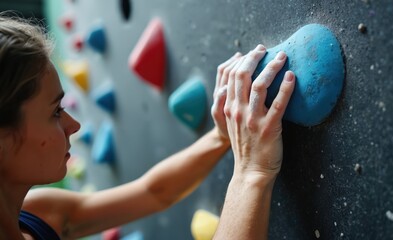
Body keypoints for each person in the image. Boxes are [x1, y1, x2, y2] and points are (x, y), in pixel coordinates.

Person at [0, 13, 295, 240]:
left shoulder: (36, 214)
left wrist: (221, 136)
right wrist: (253, 172)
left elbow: (154, 192)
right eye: (55, 112)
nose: (73, 124)